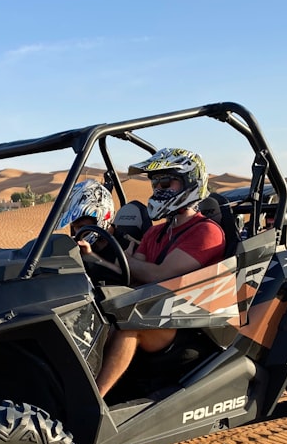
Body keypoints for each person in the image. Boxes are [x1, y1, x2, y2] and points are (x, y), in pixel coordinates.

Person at [89, 148, 225, 398]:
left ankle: (94, 400)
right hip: (156, 312)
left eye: (165, 182)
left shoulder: (206, 232)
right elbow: (131, 273)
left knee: (130, 323)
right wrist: (92, 258)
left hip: (190, 324)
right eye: (154, 184)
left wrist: (129, 262)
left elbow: (158, 275)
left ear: (190, 182)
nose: (158, 190)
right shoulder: (155, 232)